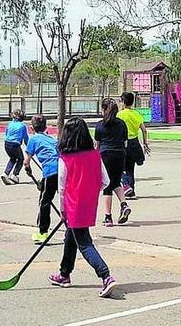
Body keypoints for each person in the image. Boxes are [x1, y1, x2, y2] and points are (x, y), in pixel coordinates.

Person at [49, 117, 118, 298]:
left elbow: (61, 188)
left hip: (73, 205)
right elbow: (106, 181)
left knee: (85, 243)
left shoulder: (65, 159)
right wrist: (90, 190)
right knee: (70, 237)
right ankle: (64, 274)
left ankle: (106, 275)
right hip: (88, 203)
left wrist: (63, 209)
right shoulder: (95, 155)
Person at [24, 115, 59, 244]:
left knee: (44, 202)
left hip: (50, 171)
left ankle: (42, 232)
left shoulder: (33, 140)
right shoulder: (52, 139)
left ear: (32, 128)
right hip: (61, 170)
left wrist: (28, 170)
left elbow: (26, 162)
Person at [95, 98, 130, 227]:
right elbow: (125, 141)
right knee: (116, 182)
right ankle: (123, 204)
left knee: (107, 186)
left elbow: (97, 145)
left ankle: (108, 217)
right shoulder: (121, 124)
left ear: (104, 110)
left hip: (106, 156)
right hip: (120, 154)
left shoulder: (100, 125)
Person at [117, 92, 151, 198]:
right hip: (134, 143)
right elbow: (144, 130)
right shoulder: (137, 114)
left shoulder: (120, 115)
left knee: (120, 168)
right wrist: (145, 143)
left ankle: (126, 186)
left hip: (123, 143)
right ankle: (131, 192)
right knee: (130, 168)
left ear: (123, 102)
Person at [1, 109, 29, 185]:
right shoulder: (23, 126)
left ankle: (6, 173)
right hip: (15, 144)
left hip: (7, 144)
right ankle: (14, 175)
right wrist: (29, 148)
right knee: (20, 159)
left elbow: (6, 134)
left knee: (13, 158)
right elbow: (26, 139)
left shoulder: (10, 124)